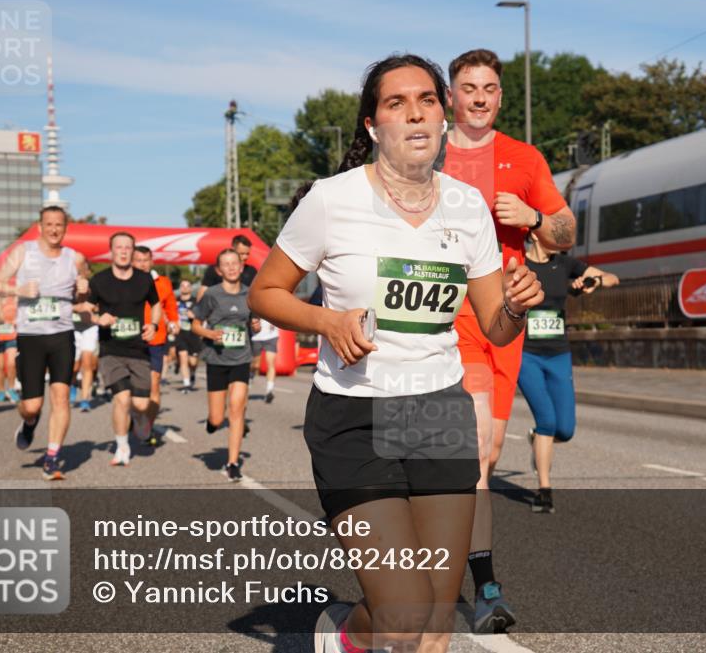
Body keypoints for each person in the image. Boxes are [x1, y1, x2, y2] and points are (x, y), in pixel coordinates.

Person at [249, 54, 544, 653]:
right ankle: (344, 636)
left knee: (435, 621)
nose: (415, 112)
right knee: (404, 614)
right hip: (356, 415)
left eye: (427, 100)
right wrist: (326, 320)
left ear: (444, 115)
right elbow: (265, 291)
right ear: (372, 126)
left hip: (438, 411)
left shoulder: (467, 207)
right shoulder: (332, 200)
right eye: (396, 103)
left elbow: (495, 325)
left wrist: (516, 305)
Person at [442, 48, 576, 632]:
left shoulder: (524, 158)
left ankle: (446, 558)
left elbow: (566, 230)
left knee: (487, 458)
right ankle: (485, 587)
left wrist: (533, 217)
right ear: (451, 95)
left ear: (499, 96)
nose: (478, 96)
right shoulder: (427, 152)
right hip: (448, 318)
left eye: (489, 87)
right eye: (467, 86)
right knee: (472, 456)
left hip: (506, 322)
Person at [519, 235, 618, 513]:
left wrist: (591, 282)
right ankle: (544, 490)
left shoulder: (565, 264)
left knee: (566, 429)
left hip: (559, 354)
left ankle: (537, 438)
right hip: (526, 354)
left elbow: (612, 278)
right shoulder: (519, 263)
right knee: (547, 421)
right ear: (536, 234)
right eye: (554, 233)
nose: (561, 241)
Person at [0, 206, 89, 480]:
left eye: (59, 224)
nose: (54, 229)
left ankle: (52, 457)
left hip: (62, 335)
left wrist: (84, 289)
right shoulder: (24, 252)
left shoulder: (75, 258)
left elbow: (82, 298)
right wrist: (17, 290)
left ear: (65, 228)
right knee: (32, 405)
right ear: (40, 226)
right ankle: (29, 422)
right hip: (31, 336)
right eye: (49, 224)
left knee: (60, 397)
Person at [85, 232, 161, 466]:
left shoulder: (144, 279)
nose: (124, 251)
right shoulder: (99, 281)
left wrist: (154, 325)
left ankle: (140, 419)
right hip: (111, 350)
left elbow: (155, 304)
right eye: (119, 247)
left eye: (128, 247)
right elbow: (86, 310)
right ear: (112, 251)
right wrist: (98, 318)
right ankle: (122, 446)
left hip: (138, 349)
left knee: (140, 404)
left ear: (132, 250)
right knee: (121, 399)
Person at [192, 249, 259, 482]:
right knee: (218, 418)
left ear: (241, 266)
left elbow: (254, 321)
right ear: (219, 270)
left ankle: (232, 463)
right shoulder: (212, 294)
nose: (231, 268)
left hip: (241, 358)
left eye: (235, 263)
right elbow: (195, 324)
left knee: (237, 407)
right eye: (226, 265)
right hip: (217, 359)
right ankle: (213, 423)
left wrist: (257, 325)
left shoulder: (250, 294)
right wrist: (210, 333)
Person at [132, 246, 179, 437]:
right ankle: (134, 415)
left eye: (146, 260)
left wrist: (174, 322)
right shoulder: (124, 281)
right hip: (130, 341)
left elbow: (171, 307)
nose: (142, 264)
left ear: (151, 261)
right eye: (138, 260)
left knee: (154, 383)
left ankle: (146, 426)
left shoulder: (163, 282)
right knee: (132, 388)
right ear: (132, 261)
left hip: (155, 339)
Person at [197, 234, 257, 301]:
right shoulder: (215, 270)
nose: (245, 257)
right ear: (234, 250)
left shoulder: (252, 271)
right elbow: (201, 296)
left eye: (247, 254)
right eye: (242, 253)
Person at [71, 291, 99, 413]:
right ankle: (73, 384)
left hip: (90, 327)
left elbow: (99, 305)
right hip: (74, 328)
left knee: (87, 363)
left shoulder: (93, 287)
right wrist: (76, 307)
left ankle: (85, 399)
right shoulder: (68, 287)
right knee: (74, 366)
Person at [0, 293, 21, 404]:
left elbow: (22, 314)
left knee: (11, 363)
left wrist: (16, 321)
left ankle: (11, 388)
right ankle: (1, 391)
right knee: (0, 366)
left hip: (11, 336)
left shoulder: (14, 299)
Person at [175, 279, 201, 392]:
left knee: (193, 362)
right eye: (182, 286)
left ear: (190, 288)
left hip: (193, 334)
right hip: (180, 334)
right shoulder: (175, 301)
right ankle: (186, 383)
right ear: (180, 288)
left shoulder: (196, 302)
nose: (185, 288)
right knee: (183, 357)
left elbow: (202, 316)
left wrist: (194, 316)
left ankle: (192, 373)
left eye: (187, 286)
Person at [251, 317, 279, 403]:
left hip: (271, 337)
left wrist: (276, 320)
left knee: (270, 364)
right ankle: (250, 375)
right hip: (256, 337)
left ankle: (269, 391)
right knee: (256, 365)